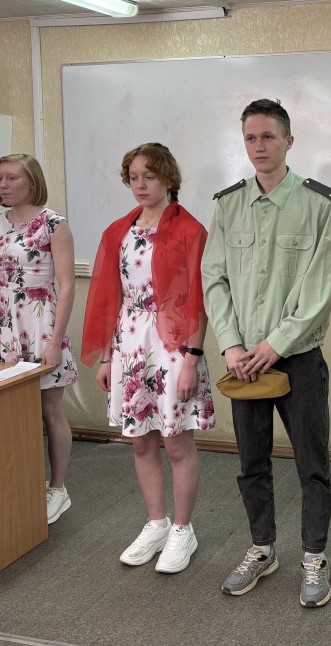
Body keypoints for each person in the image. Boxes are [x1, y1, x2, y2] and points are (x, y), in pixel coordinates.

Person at [201, 98, 331, 607]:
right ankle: (262, 548)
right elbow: (214, 279)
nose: (259, 146)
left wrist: (273, 344)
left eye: (268, 136)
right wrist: (232, 345)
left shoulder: (319, 204)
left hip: (297, 357)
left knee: (312, 464)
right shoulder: (229, 205)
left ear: (288, 141)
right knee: (251, 462)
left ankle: (314, 557)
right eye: (250, 138)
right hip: (243, 363)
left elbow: (320, 289)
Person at [82, 143, 214, 574]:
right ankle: (156, 523)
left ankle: (182, 530)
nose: (140, 185)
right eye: (133, 177)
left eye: (149, 176)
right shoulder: (118, 231)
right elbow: (110, 298)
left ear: (168, 178)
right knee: (140, 439)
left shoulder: (191, 230)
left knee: (176, 442)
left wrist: (192, 360)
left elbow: (198, 301)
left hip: (173, 346)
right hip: (129, 343)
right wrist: (107, 358)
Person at [0, 153, 78, 525]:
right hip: (2, 323)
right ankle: (21, 484)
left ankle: (58, 489)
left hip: (40, 322)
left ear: (32, 181)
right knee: (8, 413)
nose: (3, 185)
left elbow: (67, 286)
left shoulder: (54, 224)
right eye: (0, 179)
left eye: (11, 178)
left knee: (50, 412)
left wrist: (55, 341)